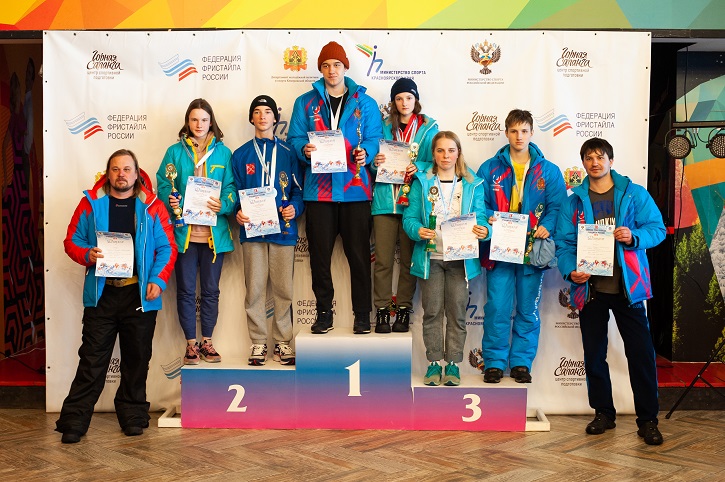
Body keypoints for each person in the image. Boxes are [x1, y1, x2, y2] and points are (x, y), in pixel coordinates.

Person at [56, 149, 177, 443]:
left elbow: (167, 247)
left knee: (137, 360)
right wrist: (87, 253)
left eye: (126, 169)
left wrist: (158, 280)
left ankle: (133, 416)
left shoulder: (153, 206)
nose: (121, 174)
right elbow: (72, 241)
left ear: (136, 174)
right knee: (92, 360)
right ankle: (74, 421)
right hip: (102, 294)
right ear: (107, 173)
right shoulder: (90, 203)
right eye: (115, 169)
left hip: (139, 294)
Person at [555, 137, 665, 445]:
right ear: (583, 163)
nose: (595, 163)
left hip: (629, 289)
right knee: (594, 356)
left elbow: (657, 229)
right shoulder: (573, 201)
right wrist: (570, 271)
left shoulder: (633, 193)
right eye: (589, 158)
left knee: (641, 355)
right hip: (590, 290)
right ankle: (603, 413)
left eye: (600, 157)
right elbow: (563, 244)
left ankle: (648, 420)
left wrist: (633, 236)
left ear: (611, 161)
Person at [288, 41, 383, 334]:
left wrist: (366, 152)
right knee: (319, 259)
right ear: (321, 69)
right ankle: (324, 314)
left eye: (337, 65)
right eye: (326, 65)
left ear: (345, 68)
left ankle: (362, 315)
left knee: (359, 258)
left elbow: (375, 138)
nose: (332, 70)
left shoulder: (365, 103)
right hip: (319, 192)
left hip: (355, 190)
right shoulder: (305, 102)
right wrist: (304, 149)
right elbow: (294, 139)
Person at [477, 109, 566, 384]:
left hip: (532, 249)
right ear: (506, 133)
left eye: (524, 131)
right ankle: (494, 362)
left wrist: (547, 225)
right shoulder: (489, 168)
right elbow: (478, 204)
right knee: (497, 308)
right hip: (500, 248)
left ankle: (520, 363)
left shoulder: (548, 170)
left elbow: (557, 207)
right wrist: (488, 218)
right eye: (514, 131)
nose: (519, 136)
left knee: (528, 309)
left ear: (532, 133)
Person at [403, 131, 490, 386]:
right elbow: (409, 219)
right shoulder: (421, 181)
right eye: (440, 150)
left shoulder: (472, 184)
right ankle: (433, 364)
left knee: (457, 314)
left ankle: (453, 364)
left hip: (460, 261)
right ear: (433, 154)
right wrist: (417, 230)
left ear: (458, 153)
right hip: (430, 258)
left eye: (451, 150)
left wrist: (485, 230)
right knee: (432, 312)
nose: (446, 156)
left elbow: (481, 218)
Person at [156, 98, 237, 364]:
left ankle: (208, 342)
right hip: (184, 235)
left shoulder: (224, 153)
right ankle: (191, 344)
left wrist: (224, 204)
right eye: (194, 119)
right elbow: (164, 184)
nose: (199, 124)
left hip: (214, 235)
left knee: (211, 291)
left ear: (211, 122)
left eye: (204, 120)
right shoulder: (174, 152)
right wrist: (170, 200)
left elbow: (231, 188)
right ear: (187, 122)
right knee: (186, 291)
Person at [231, 95, 304, 366]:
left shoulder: (288, 153)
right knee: (255, 289)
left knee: (284, 289)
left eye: (267, 112)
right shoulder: (240, 154)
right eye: (258, 112)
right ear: (251, 118)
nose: (263, 116)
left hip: (283, 231)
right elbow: (234, 192)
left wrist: (294, 208)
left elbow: (298, 191)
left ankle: (283, 342)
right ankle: (259, 342)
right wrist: (237, 211)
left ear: (276, 117)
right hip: (253, 232)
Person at [371, 78, 438, 333]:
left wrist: (418, 166)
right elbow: (370, 163)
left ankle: (403, 310)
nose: (404, 103)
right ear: (393, 102)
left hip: (413, 204)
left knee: (409, 262)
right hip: (385, 204)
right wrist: (375, 162)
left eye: (409, 98)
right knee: (383, 262)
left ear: (416, 100)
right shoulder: (383, 126)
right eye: (399, 98)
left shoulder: (429, 128)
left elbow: (436, 163)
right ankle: (381, 310)